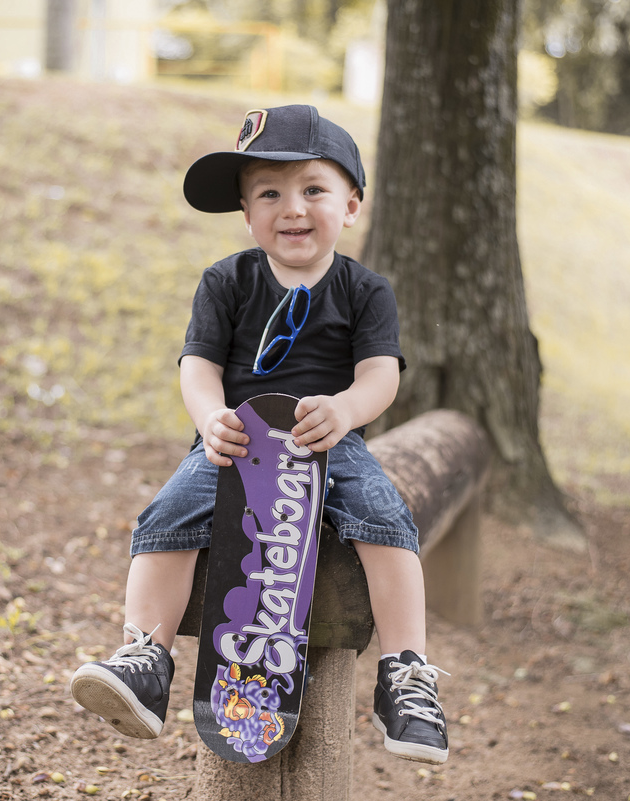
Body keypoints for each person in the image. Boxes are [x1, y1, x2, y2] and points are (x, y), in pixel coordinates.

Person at [68, 105, 449, 764]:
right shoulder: (227, 281)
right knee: (166, 517)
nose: (292, 207)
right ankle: (145, 657)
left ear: (351, 205)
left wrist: (349, 410)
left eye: (313, 189)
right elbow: (199, 366)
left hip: (329, 444)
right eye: (269, 193)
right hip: (237, 442)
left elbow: (381, 375)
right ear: (247, 213)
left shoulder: (365, 290)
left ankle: (406, 675)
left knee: (386, 519)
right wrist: (209, 418)